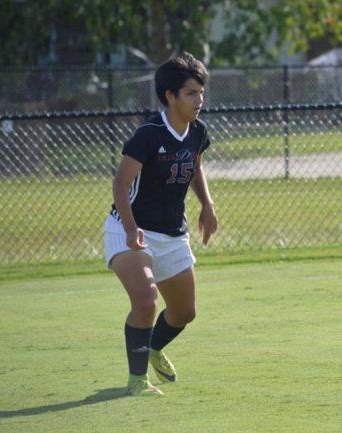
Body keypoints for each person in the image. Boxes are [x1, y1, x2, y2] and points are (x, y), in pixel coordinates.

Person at [104, 52, 217, 396]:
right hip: (131, 228)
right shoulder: (148, 135)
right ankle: (137, 381)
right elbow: (120, 183)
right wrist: (129, 228)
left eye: (201, 92)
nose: (199, 100)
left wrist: (207, 205)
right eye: (191, 93)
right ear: (170, 96)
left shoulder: (197, 131)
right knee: (147, 301)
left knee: (184, 312)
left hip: (172, 232)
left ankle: (152, 347)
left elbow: (194, 166)